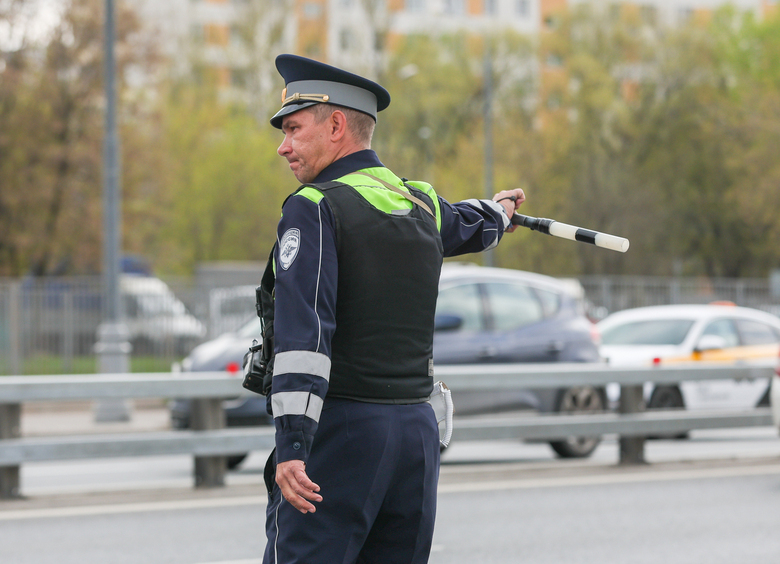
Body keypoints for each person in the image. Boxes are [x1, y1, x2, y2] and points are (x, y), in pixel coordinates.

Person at [262, 54, 526, 564]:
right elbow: (470, 223)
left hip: (340, 435)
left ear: (336, 124)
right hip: (415, 436)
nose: (283, 146)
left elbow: (306, 334)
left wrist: (293, 446)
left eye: (294, 129)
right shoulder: (419, 202)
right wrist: (501, 211)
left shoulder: (314, 206)